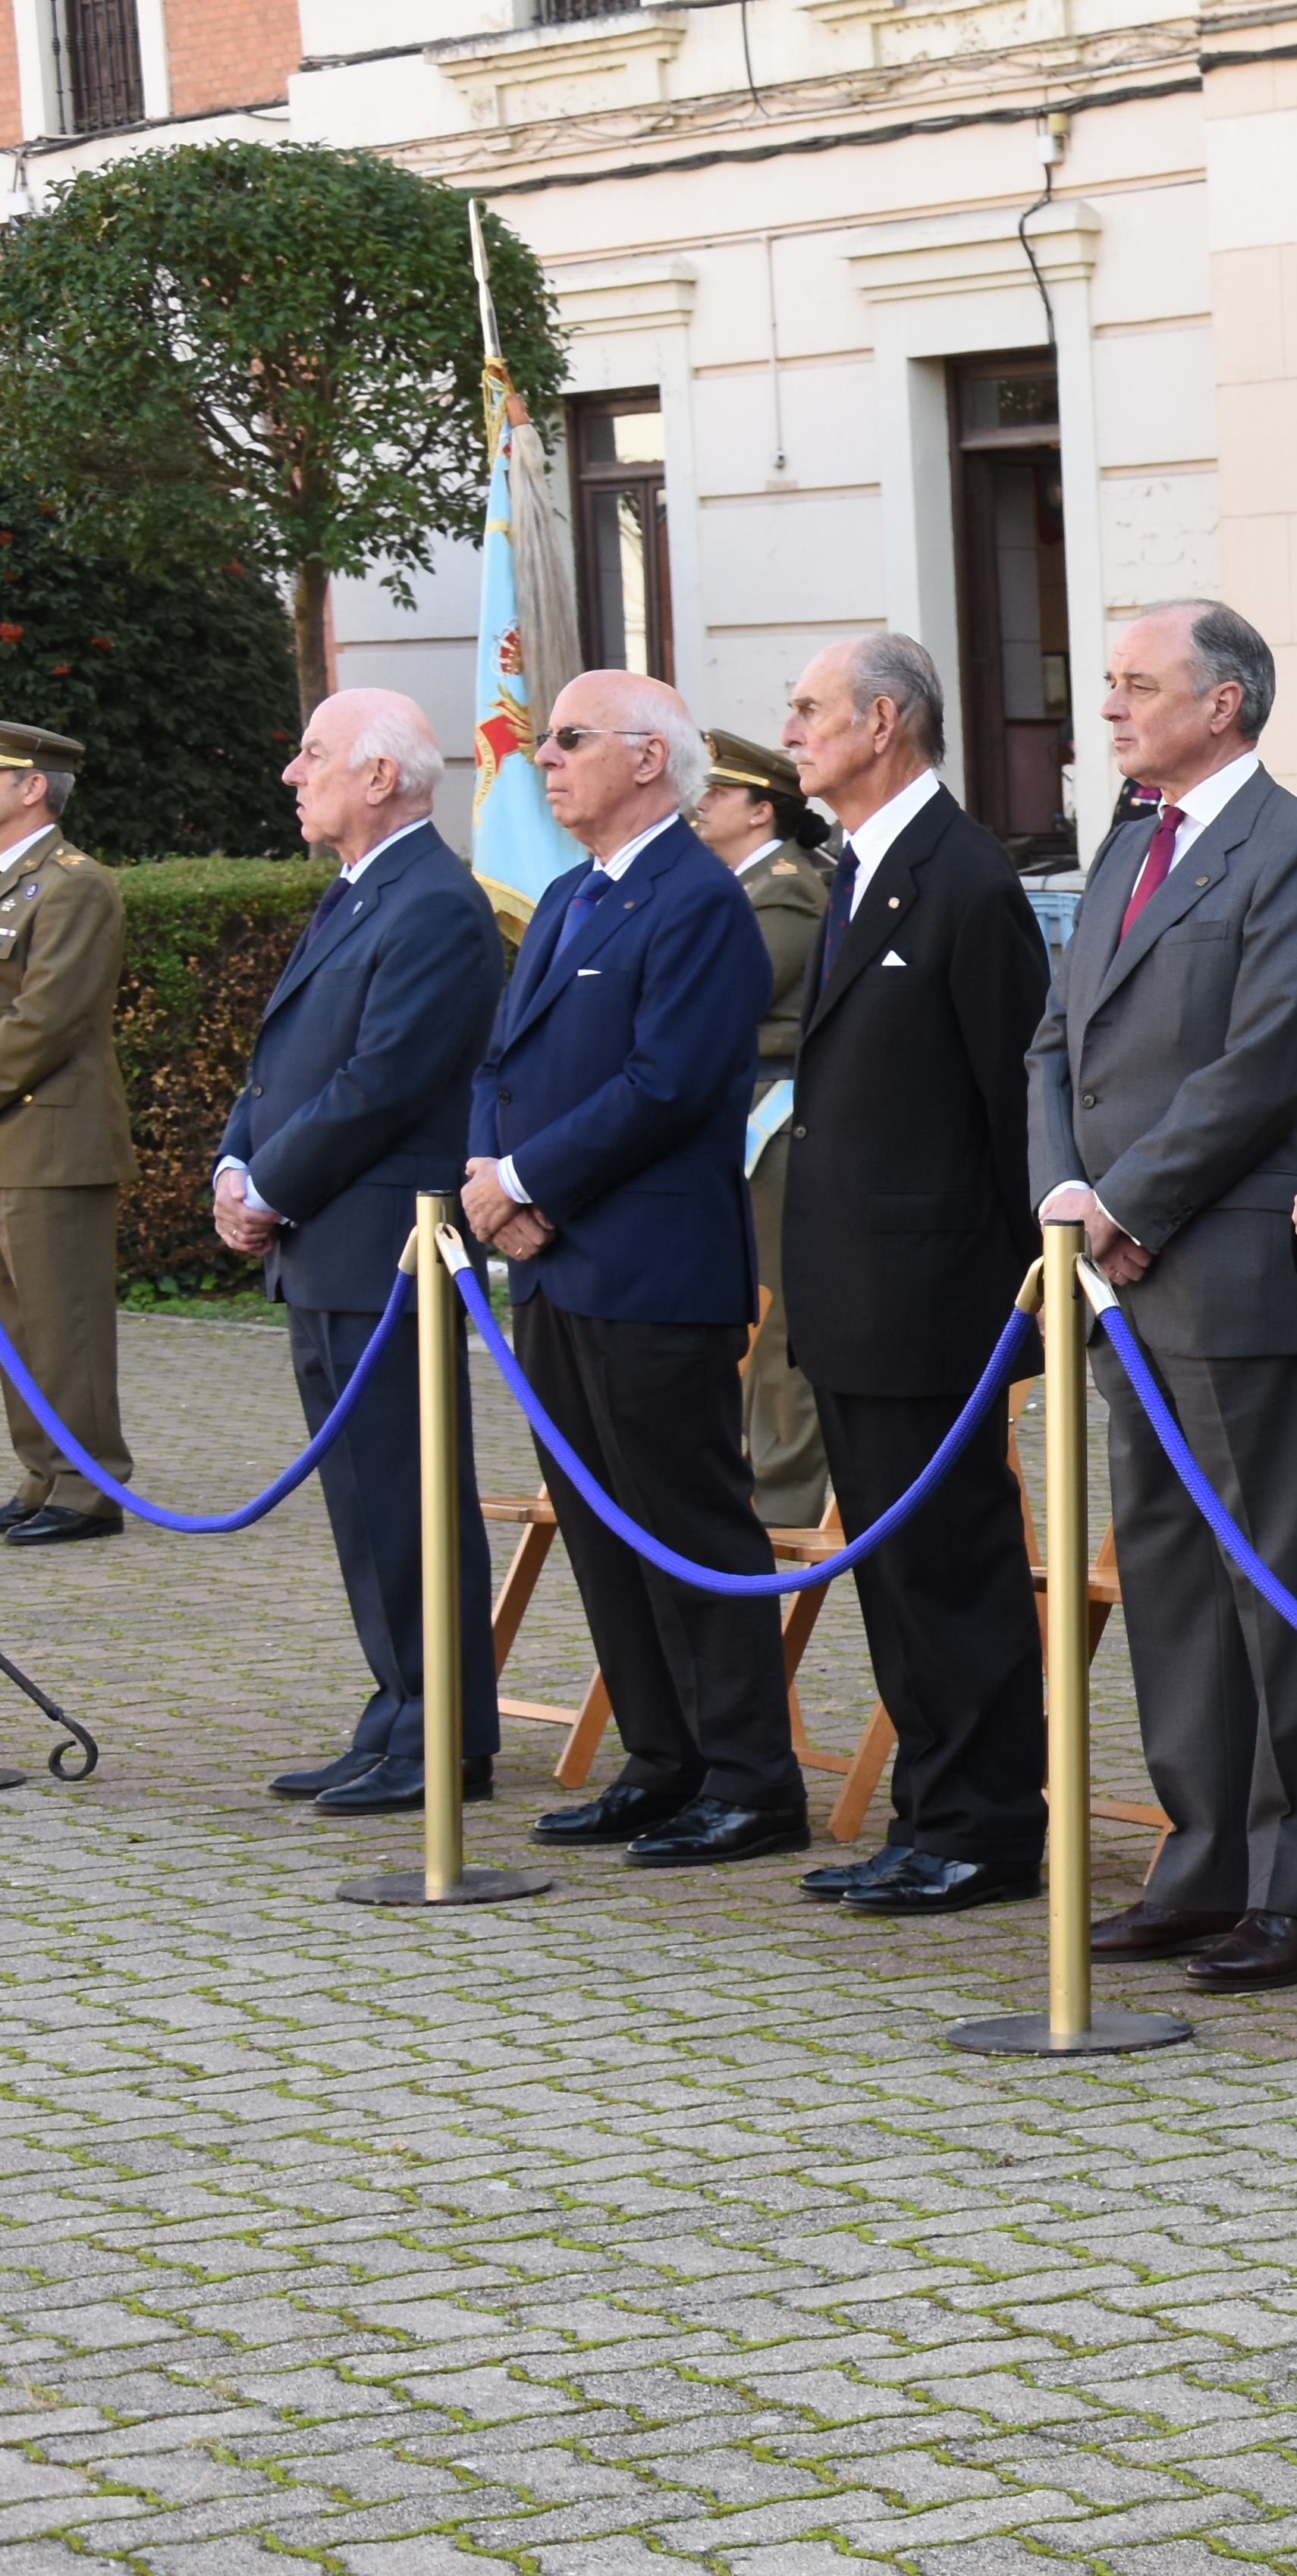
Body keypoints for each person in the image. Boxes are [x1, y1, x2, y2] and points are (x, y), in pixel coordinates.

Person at [1029, 600, 1297, 1976]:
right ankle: (1198, 1860)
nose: (1109, 708)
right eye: (1108, 685)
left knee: (1268, 1581)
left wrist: (1128, 1202)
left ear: (1222, 703)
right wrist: (1068, 1200)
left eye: (1136, 686)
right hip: (1114, 1274)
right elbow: (1056, 1044)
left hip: (1223, 1267)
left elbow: (1272, 1060)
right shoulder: (1125, 844)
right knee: (1166, 1577)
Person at [468, 668, 799, 1867]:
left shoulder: (699, 900)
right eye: (544, 741)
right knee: (602, 1529)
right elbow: (498, 1063)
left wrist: (524, 1182)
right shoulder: (566, 897)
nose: (540, 759)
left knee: (688, 1524)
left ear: (650, 760)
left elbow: (670, 1086)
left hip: (651, 1266)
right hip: (553, 1267)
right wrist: (484, 1173)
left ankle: (752, 1779)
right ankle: (662, 1762)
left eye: (567, 740)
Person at [777, 635, 1057, 1922]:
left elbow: (1012, 1098)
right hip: (855, 1294)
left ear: (886, 722)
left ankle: (991, 1823)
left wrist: (1022, 1306)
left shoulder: (961, 876)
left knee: (951, 1567)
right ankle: (929, 1814)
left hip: (939, 1296)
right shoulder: (857, 870)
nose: (793, 731)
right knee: (893, 1577)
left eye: (812, 710)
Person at [221, 691, 507, 1816]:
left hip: (383, 1248)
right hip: (319, 1244)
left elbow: (380, 1082)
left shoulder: (432, 903)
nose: (294, 775)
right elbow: (280, 1061)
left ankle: (445, 1735)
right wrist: (233, 1171)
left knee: (409, 1496)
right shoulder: (357, 894)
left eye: (314, 756)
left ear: (381, 776)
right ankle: (396, 1713)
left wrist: (273, 1183)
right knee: (359, 1503)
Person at [692, 727, 836, 1530]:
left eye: (716, 792)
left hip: (773, 1121)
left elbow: (722, 1004)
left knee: (773, 1311)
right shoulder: (740, 886)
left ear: (760, 809)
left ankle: (781, 1495)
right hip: (743, 1116)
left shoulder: (781, 888)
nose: (699, 803)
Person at [0, 721, 131, 1545]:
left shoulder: (75, 885)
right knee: (20, 1323)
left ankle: (88, 1486)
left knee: (63, 1318)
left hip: (54, 1138)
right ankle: (42, 1471)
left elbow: (44, 1019)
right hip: (15, 1139)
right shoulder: (15, 883)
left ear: (31, 786)